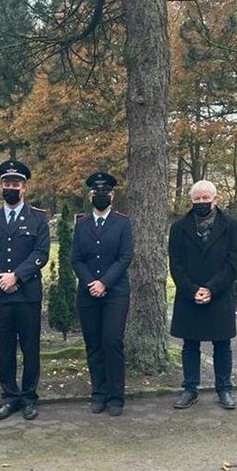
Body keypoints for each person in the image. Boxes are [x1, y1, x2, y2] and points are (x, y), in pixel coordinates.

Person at [0, 159, 50, 421]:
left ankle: (29, 397)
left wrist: (16, 277)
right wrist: (0, 279)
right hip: (1, 295)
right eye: (7, 183)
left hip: (27, 294)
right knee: (5, 348)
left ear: (24, 188)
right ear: (1, 186)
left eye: (16, 184)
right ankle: (9, 397)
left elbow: (41, 253)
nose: (11, 187)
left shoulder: (38, 218)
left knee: (30, 348)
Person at [168, 180, 237, 410]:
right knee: (190, 345)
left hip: (219, 295)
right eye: (197, 199)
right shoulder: (179, 227)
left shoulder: (232, 225)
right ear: (191, 200)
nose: (201, 202)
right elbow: (176, 264)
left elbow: (234, 262)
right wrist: (193, 290)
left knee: (222, 345)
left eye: (205, 198)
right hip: (189, 295)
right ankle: (189, 389)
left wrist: (211, 288)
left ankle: (224, 389)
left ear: (215, 199)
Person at [70, 172, 134, 416]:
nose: (100, 195)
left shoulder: (122, 222)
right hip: (88, 293)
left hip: (115, 292)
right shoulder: (82, 224)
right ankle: (98, 393)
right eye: (96, 192)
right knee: (93, 344)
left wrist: (104, 283)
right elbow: (76, 258)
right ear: (90, 196)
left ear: (112, 195)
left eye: (105, 192)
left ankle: (116, 396)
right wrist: (91, 283)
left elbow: (125, 257)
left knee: (112, 342)